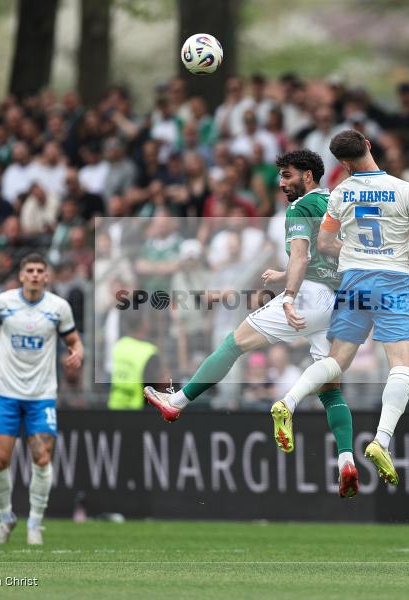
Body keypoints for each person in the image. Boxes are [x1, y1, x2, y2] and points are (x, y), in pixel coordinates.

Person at [143, 149, 359, 498]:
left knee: (234, 343)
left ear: (308, 176)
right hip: (337, 301)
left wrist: (288, 295)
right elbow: (330, 256)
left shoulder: (299, 208)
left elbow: (304, 255)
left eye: (288, 175)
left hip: (308, 296)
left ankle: (178, 402)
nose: (282, 183)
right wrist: (285, 273)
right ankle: (346, 460)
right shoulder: (336, 204)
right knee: (330, 387)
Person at [273, 130, 409, 487]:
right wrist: (402, 262)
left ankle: (289, 400)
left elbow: (325, 242)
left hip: (354, 280)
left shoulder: (341, 193)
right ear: (369, 147)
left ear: (343, 164)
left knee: (335, 361)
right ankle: (381, 440)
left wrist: (357, 256)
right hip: (392, 281)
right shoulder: (405, 189)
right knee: (402, 366)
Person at [0, 254, 84, 546]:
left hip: (41, 396)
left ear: (47, 277)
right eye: (30, 271)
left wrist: (78, 352)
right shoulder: (3, 303)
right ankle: (6, 517)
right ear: (21, 275)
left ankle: (35, 522)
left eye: (40, 271)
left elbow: (73, 340)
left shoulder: (59, 308)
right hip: (6, 394)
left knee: (42, 457)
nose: (35, 275)